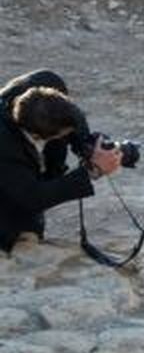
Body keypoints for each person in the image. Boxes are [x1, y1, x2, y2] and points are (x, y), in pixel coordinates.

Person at [1, 70, 121, 254]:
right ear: (38, 137)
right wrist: (92, 170)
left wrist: (86, 145)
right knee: (12, 227)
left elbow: (72, 117)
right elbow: (33, 197)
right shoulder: (6, 148)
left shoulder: (47, 82)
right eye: (62, 135)